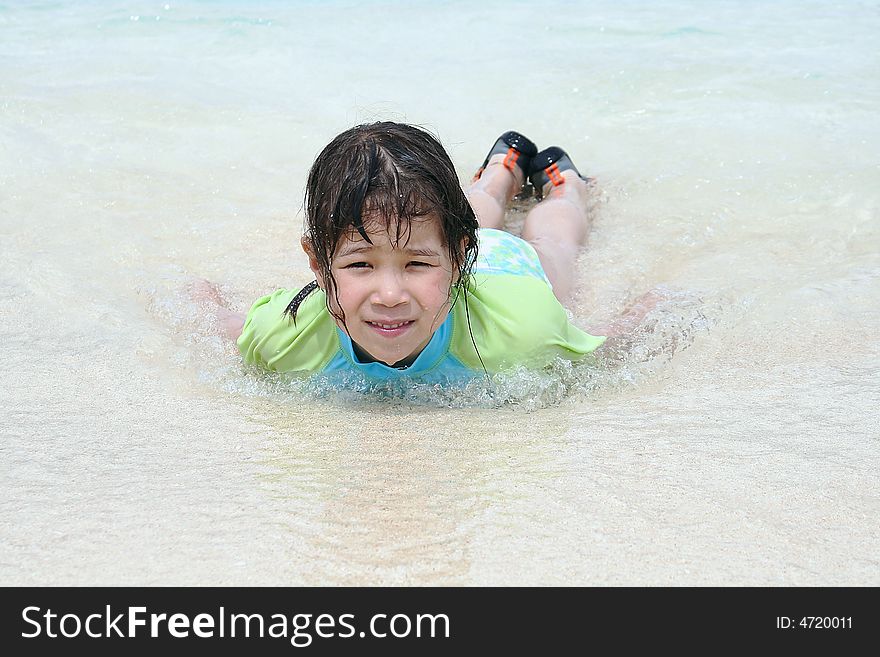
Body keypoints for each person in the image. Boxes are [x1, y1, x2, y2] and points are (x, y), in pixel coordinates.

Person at [202, 122, 657, 385]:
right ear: (319, 265)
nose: (390, 295)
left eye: (412, 267)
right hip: (441, 259)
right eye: (359, 264)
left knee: (553, 241)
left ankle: (568, 188)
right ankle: (498, 174)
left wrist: (657, 310)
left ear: (461, 258)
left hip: (505, 275)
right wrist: (194, 300)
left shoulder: (524, 329)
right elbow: (230, 332)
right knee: (447, 219)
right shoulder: (285, 334)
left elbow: (605, 348)